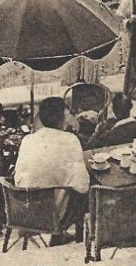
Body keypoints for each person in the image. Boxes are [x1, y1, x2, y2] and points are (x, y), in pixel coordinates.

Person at [14, 97, 89, 237]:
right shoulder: (71, 140)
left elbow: (18, 177)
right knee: (83, 194)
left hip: (25, 209)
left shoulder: (28, 140)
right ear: (62, 119)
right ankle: (60, 233)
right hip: (53, 215)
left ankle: (57, 234)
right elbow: (83, 186)